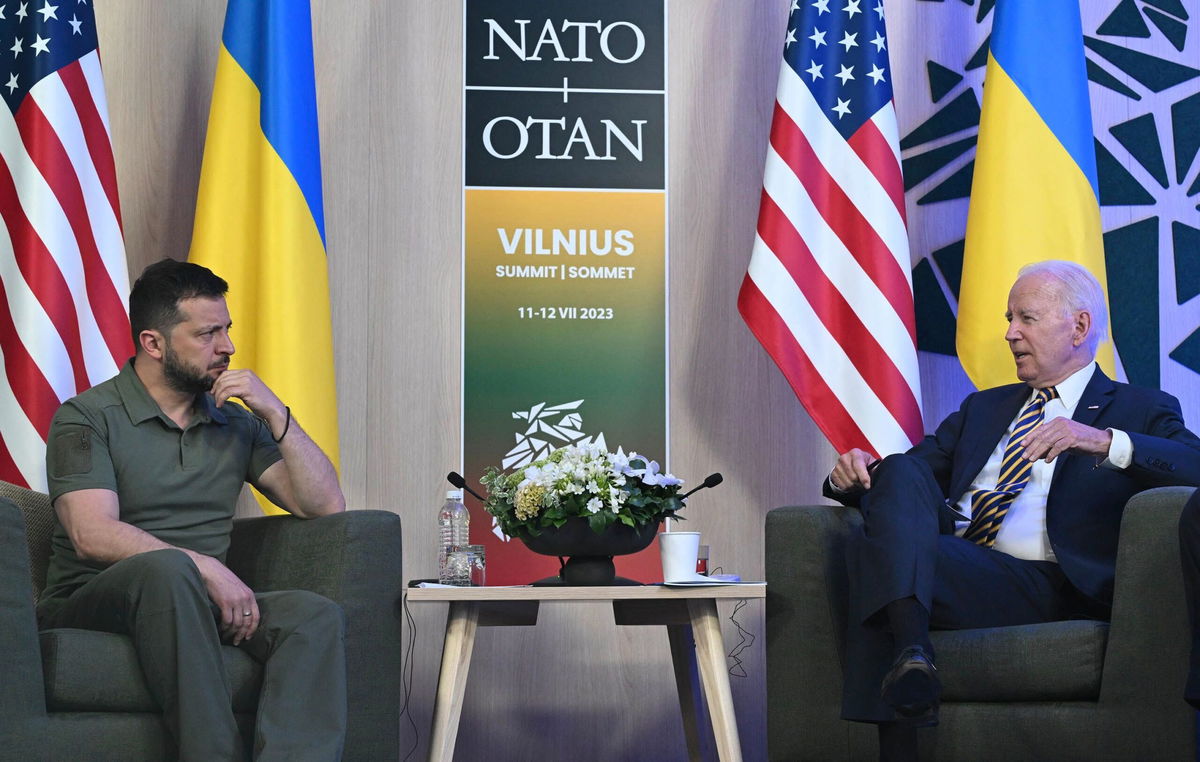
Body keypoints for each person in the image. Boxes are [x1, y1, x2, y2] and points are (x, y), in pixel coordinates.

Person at [824, 260, 1200, 761]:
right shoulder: (984, 408)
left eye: (1026, 318)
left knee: (879, 559)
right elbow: (904, 483)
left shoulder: (1139, 408)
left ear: (1079, 326)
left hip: (1046, 581)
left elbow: (1192, 464)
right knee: (898, 470)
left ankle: (909, 675)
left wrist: (1103, 440)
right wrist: (850, 478)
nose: (1009, 333)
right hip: (958, 565)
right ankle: (914, 651)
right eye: (1008, 318)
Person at [36, 259, 348, 761]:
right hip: (95, 598)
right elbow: (91, 532)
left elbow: (325, 505)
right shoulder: (87, 417)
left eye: (226, 330)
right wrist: (202, 566)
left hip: (195, 599)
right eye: (207, 333)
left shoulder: (234, 424)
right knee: (167, 570)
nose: (227, 347)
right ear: (154, 343)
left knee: (313, 616)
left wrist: (274, 411)